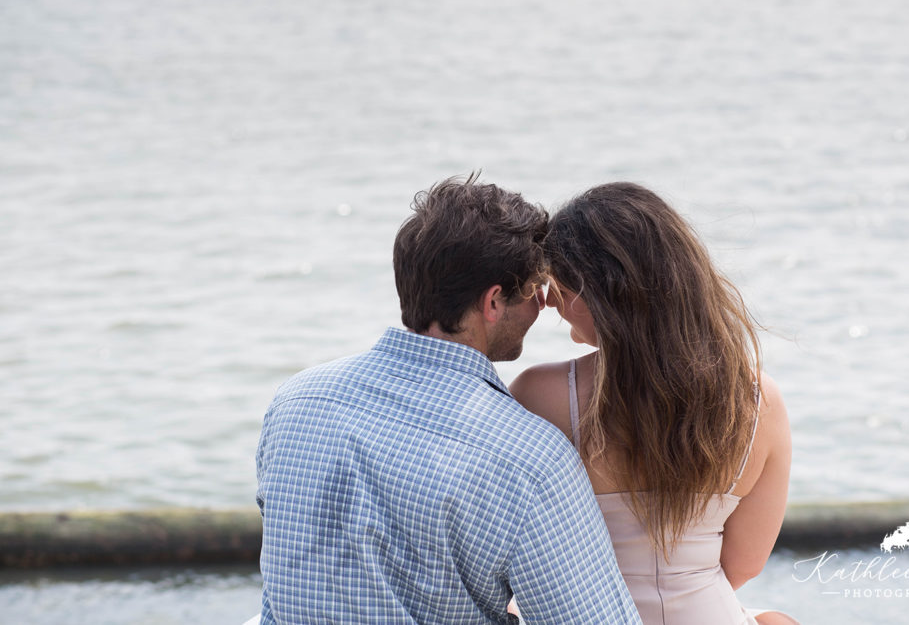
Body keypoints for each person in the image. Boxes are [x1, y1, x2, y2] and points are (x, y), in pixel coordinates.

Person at [255, 175, 641, 623]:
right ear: (493, 303)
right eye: (534, 288)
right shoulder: (530, 460)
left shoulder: (294, 403)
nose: (543, 303)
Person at [510, 183, 798, 625]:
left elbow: (518, 556)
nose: (548, 300)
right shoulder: (759, 400)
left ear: (604, 292)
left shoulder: (539, 394)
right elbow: (744, 565)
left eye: (558, 284)